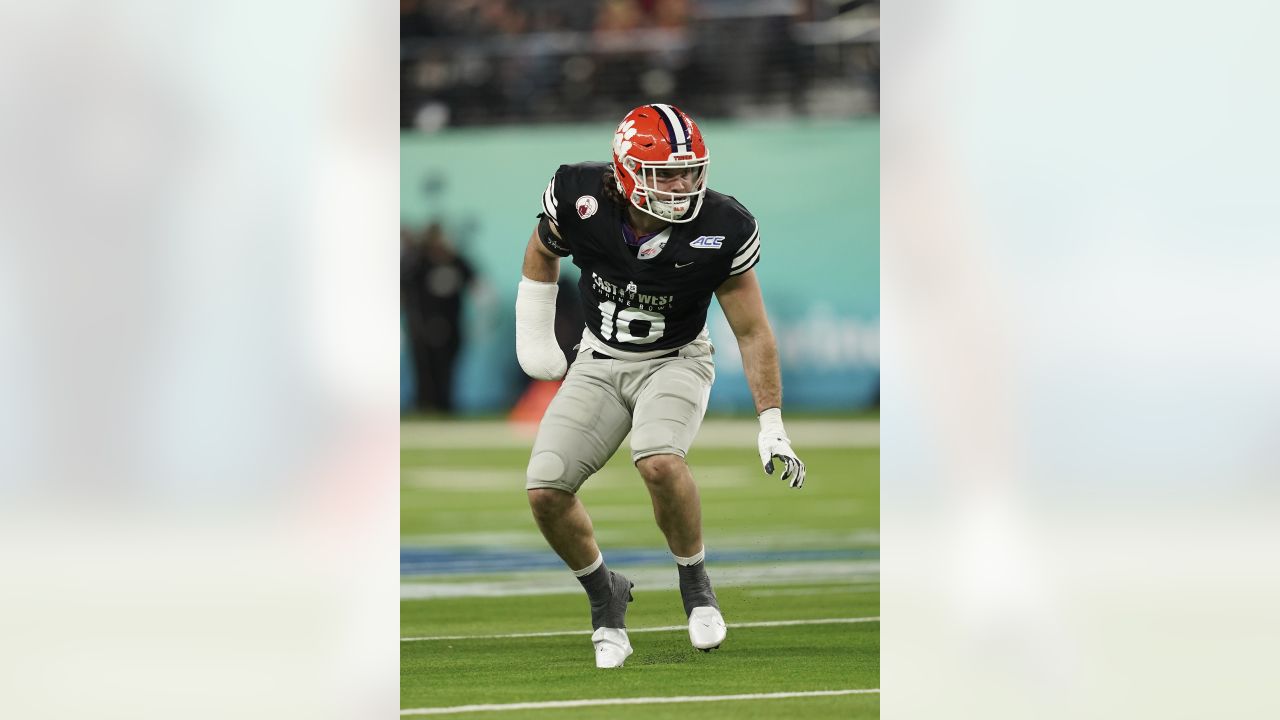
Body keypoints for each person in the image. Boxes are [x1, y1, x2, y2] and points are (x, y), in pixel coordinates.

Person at [515, 103, 806, 668]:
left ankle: (696, 587)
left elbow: (752, 331)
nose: (681, 185)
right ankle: (606, 598)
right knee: (546, 490)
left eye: (689, 170)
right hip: (598, 360)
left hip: (676, 358)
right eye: (664, 173)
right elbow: (541, 250)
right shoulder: (581, 197)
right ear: (625, 172)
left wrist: (771, 422)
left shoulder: (722, 226)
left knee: (658, 459)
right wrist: (534, 332)